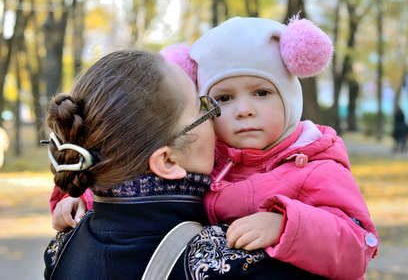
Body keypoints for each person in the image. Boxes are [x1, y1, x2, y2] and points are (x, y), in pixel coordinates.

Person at [42, 49, 325, 279]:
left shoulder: (61, 249)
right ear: (167, 160)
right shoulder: (237, 263)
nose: (216, 118)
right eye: (202, 108)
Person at [161, 16, 379, 280]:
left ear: (288, 96)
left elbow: (357, 246)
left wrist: (285, 225)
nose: (244, 111)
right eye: (224, 98)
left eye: (261, 92)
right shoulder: (207, 162)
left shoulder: (316, 166)